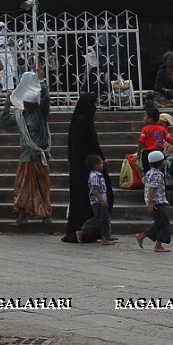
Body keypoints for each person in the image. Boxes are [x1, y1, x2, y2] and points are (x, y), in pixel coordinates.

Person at [62, 91, 109, 244]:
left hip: (87, 164)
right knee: (83, 200)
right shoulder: (81, 121)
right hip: (83, 167)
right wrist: (94, 161)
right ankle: (83, 231)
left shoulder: (83, 119)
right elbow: (81, 145)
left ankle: (97, 233)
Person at [13, 90, 52, 228]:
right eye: (25, 104)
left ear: (35, 105)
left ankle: (46, 215)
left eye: (30, 105)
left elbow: (46, 99)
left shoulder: (40, 115)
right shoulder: (20, 116)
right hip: (25, 156)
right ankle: (22, 215)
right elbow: (5, 121)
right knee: (21, 186)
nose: (27, 107)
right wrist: (6, 105)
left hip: (38, 157)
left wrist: (40, 80)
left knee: (42, 186)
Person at [75, 154, 115, 245]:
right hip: (97, 202)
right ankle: (82, 231)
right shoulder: (94, 176)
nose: (103, 165)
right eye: (101, 163)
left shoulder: (99, 174)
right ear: (96, 166)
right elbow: (94, 190)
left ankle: (105, 237)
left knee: (106, 219)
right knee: (98, 218)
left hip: (102, 200)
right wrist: (101, 200)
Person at [137, 149, 171, 252]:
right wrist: (151, 203)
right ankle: (158, 245)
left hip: (155, 201)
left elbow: (144, 181)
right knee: (163, 223)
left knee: (160, 222)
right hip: (157, 202)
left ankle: (142, 235)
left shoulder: (149, 173)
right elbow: (152, 187)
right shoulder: (158, 175)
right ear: (162, 163)